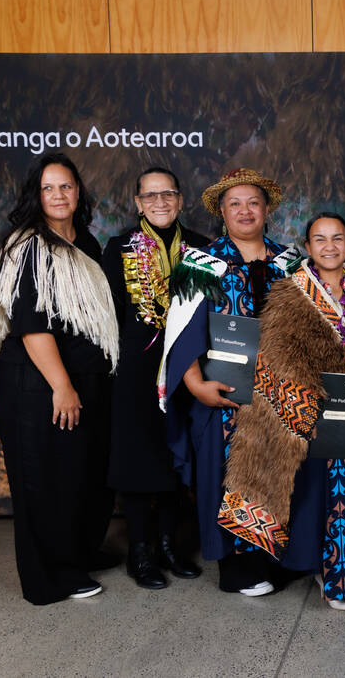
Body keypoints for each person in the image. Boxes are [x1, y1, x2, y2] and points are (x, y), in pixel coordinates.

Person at [222, 213, 345, 610]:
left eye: (337, 238)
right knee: (323, 497)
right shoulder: (288, 295)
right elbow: (275, 365)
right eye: (320, 239)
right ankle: (331, 573)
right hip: (313, 417)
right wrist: (310, 410)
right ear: (307, 247)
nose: (329, 246)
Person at [158, 168, 301, 596]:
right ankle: (238, 567)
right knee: (229, 472)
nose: (244, 210)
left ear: (266, 209)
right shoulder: (200, 262)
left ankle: (274, 555)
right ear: (221, 211)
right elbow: (180, 331)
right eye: (234, 203)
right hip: (223, 391)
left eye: (253, 202)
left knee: (279, 469)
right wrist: (196, 384)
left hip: (280, 392)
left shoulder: (291, 259)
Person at [0, 153, 118, 604]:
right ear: (35, 196)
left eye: (66, 186)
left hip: (82, 376)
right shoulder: (30, 248)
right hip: (37, 382)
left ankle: (76, 551)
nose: (59, 195)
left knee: (78, 473)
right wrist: (62, 386)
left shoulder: (86, 242)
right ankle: (51, 577)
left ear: (78, 191)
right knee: (45, 479)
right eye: (49, 188)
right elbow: (33, 326)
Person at [102, 167, 208, 589]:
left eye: (168, 194)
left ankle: (168, 543)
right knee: (136, 457)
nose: (160, 202)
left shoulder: (200, 248)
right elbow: (108, 316)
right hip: (135, 371)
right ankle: (140, 551)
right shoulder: (119, 247)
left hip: (186, 368)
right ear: (138, 203)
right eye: (150, 196)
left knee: (173, 454)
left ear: (181, 200)